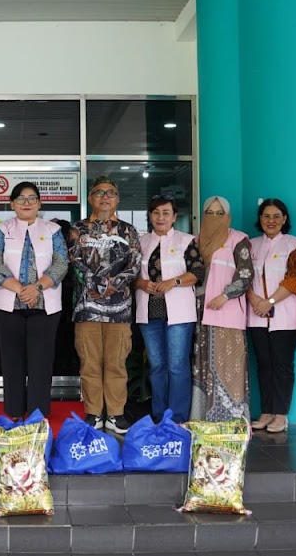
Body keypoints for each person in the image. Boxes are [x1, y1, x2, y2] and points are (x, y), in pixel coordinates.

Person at [0, 182, 69, 419]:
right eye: (21, 199)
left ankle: (36, 415)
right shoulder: (2, 229)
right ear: (12, 204)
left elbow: (61, 262)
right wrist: (21, 290)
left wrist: (37, 288)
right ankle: (13, 411)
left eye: (32, 198)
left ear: (39, 204)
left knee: (41, 363)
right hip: (8, 306)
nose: (27, 203)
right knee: (12, 361)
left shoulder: (53, 230)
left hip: (45, 305)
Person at [68, 176, 141, 433]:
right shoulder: (78, 229)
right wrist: (99, 284)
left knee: (116, 363)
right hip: (87, 309)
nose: (105, 197)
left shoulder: (129, 231)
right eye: (99, 192)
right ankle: (94, 413)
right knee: (89, 362)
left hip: (120, 310)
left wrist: (114, 283)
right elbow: (74, 262)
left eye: (110, 192)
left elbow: (135, 264)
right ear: (90, 198)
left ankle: (116, 414)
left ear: (117, 199)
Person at [134, 195, 204, 423]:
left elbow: (197, 272)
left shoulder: (186, 241)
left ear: (174, 217)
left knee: (177, 365)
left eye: (166, 213)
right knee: (156, 366)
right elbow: (130, 275)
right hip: (149, 312)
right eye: (156, 213)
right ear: (150, 216)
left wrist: (173, 282)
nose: (160, 217)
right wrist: (141, 283)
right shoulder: (141, 242)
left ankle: (177, 417)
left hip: (179, 313)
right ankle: (158, 414)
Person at [246, 198, 296, 434]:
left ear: (284, 219)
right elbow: (243, 277)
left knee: (282, 365)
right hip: (256, 315)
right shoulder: (250, 245)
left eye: (276, 216)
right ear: (260, 219)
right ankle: (266, 411)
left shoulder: (294, 244)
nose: (271, 221)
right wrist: (255, 301)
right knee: (263, 365)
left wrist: (268, 302)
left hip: (284, 316)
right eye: (266, 216)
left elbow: (295, 279)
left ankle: (281, 414)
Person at [191, 196, 253, 422]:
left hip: (227, 313)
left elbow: (246, 275)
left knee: (229, 367)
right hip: (201, 312)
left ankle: (232, 420)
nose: (215, 217)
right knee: (203, 365)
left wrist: (225, 295)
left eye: (220, 213)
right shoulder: (197, 241)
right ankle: (203, 418)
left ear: (228, 216)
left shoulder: (238, 239)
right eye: (210, 213)